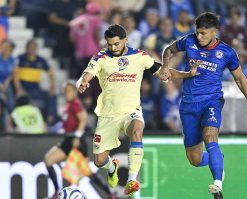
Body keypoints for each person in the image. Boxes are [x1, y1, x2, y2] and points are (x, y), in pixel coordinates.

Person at [76, 24, 197, 197]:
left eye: (116, 44)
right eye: (110, 44)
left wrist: (187, 74)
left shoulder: (140, 56)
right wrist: (83, 82)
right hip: (108, 115)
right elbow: (86, 74)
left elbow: (163, 72)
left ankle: (132, 179)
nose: (113, 48)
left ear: (125, 40)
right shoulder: (101, 57)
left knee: (137, 128)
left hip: (130, 111)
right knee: (99, 161)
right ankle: (112, 168)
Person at [161, 12, 247, 199]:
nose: (199, 36)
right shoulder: (189, 41)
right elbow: (168, 50)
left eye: (203, 33)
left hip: (211, 101)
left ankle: (217, 184)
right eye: (197, 33)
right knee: (195, 159)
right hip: (188, 105)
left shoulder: (226, 52)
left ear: (214, 31)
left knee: (210, 135)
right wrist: (165, 67)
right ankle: (218, 160)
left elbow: (240, 78)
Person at [44, 80, 115, 199]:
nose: (67, 93)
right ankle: (56, 192)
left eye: (70, 90)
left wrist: (77, 136)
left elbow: (83, 119)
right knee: (48, 160)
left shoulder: (76, 104)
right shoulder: (67, 106)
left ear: (75, 92)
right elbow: (66, 123)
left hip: (76, 141)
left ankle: (110, 194)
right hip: (68, 140)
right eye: (65, 91)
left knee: (87, 172)